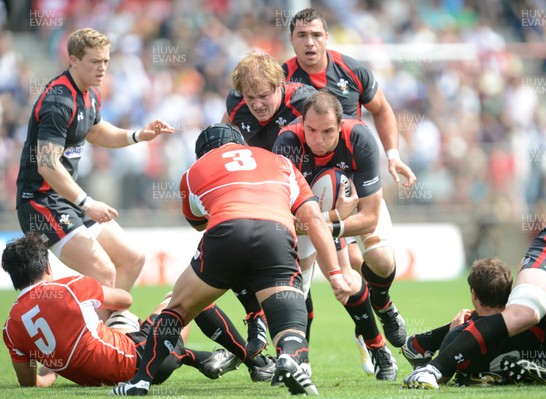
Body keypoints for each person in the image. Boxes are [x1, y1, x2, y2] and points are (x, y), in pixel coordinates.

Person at [110, 123, 351, 396]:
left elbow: (198, 222)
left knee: (176, 309)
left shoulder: (193, 172)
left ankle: (139, 381)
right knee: (288, 316)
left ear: (202, 153)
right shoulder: (280, 161)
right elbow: (314, 218)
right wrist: (336, 274)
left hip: (227, 232)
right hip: (275, 233)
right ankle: (289, 357)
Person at [14, 28, 174, 317]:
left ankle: (100, 340)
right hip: (39, 202)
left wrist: (138, 135)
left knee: (132, 259)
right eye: (94, 62)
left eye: (106, 62)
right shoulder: (58, 102)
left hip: (65, 198)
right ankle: (76, 350)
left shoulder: (89, 95)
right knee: (103, 271)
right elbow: (47, 165)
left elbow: (97, 131)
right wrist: (88, 203)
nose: (102, 68)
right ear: (73, 61)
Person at [283, 8, 415, 357]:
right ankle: (315, 352)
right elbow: (253, 114)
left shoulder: (352, 71)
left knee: (380, 262)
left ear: (327, 37)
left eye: (316, 35)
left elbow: (383, 109)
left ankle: (382, 306)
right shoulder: (280, 80)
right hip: (309, 191)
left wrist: (393, 154)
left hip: (355, 182)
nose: (309, 42)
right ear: (292, 40)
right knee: (333, 272)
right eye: (301, 36)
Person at [273, 91, 405, 380]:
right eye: (311, 130)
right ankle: (299, 359)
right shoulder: (287, 142)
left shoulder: (360, 138)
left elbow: (369, 217)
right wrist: (331, 218)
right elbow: (284, 216)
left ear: (341, 125)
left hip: (352, 210)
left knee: (381, 261)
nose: (318, 139)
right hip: (312, 214)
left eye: (328, 131)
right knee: (299, 286)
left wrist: (331, 224)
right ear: (301, 123)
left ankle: (381, 308)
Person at [1, 232, 232, 387]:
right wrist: (97, 303)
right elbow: (125, 300)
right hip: (148, 361)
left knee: (117, 328)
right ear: (48, 266)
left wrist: (50, 370)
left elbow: (30, 384)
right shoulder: (70, 287)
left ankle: (200, 358)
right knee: (180, 298)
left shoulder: (10, 328)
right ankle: (254, 361)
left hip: (105, 377)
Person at [403, 212, 546, 389]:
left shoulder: (462, 332)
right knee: (527, 313)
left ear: (473, 294)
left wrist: (454, 332)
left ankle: (422, 345)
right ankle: (432, 367)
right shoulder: (536, 324)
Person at [219, 51, 320, 358]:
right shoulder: (235, 104)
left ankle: (369, 341)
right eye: (251, 97)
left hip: (307, 191)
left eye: (264, 95)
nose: (258, 104)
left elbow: (335, 133)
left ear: (280, 87)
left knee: (301, 284)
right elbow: (224, 143)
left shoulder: (305, 102)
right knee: (233, 253)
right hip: (265, 194)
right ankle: (258, 322)